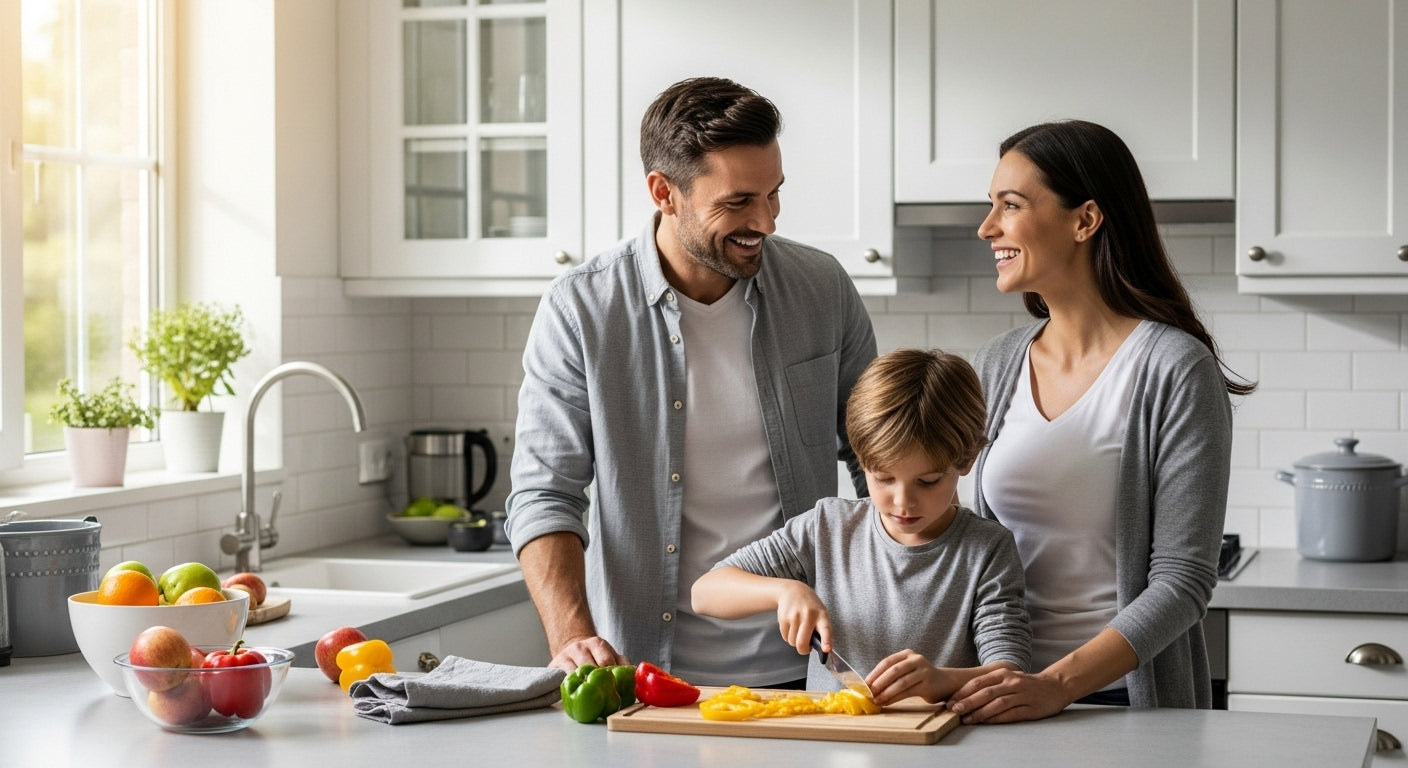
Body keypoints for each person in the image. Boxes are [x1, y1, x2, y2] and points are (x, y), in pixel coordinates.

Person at [504, 76, 877, 688]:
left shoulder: (822, 288)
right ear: (664, 193)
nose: (765, 221)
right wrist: (571, 637)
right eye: (738, 201)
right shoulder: (582, 309)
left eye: (774, 194)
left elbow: (878, 456)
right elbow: (545, 492)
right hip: (648, 676)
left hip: (814, 669)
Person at [946, 119, 1255, 723]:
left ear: (1085, 220)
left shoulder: (1174, 368)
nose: (987, 227)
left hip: (1123, 703)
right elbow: (959, 540)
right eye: (991, 205)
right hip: (998, 697)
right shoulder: (995, 364)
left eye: (1011, 205)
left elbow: (1183, 581)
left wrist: (1056, 686)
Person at [692, 348, 1030, 703]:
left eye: (928, 481)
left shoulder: (988, 549)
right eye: (883, 478)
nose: (903, 501)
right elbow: (705, 592)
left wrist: (942, 680)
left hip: (941, 734)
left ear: (968, 458)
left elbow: (1009, 673)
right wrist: (784, 591)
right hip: (833, 734)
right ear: (861, 459)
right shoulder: (828, 528)